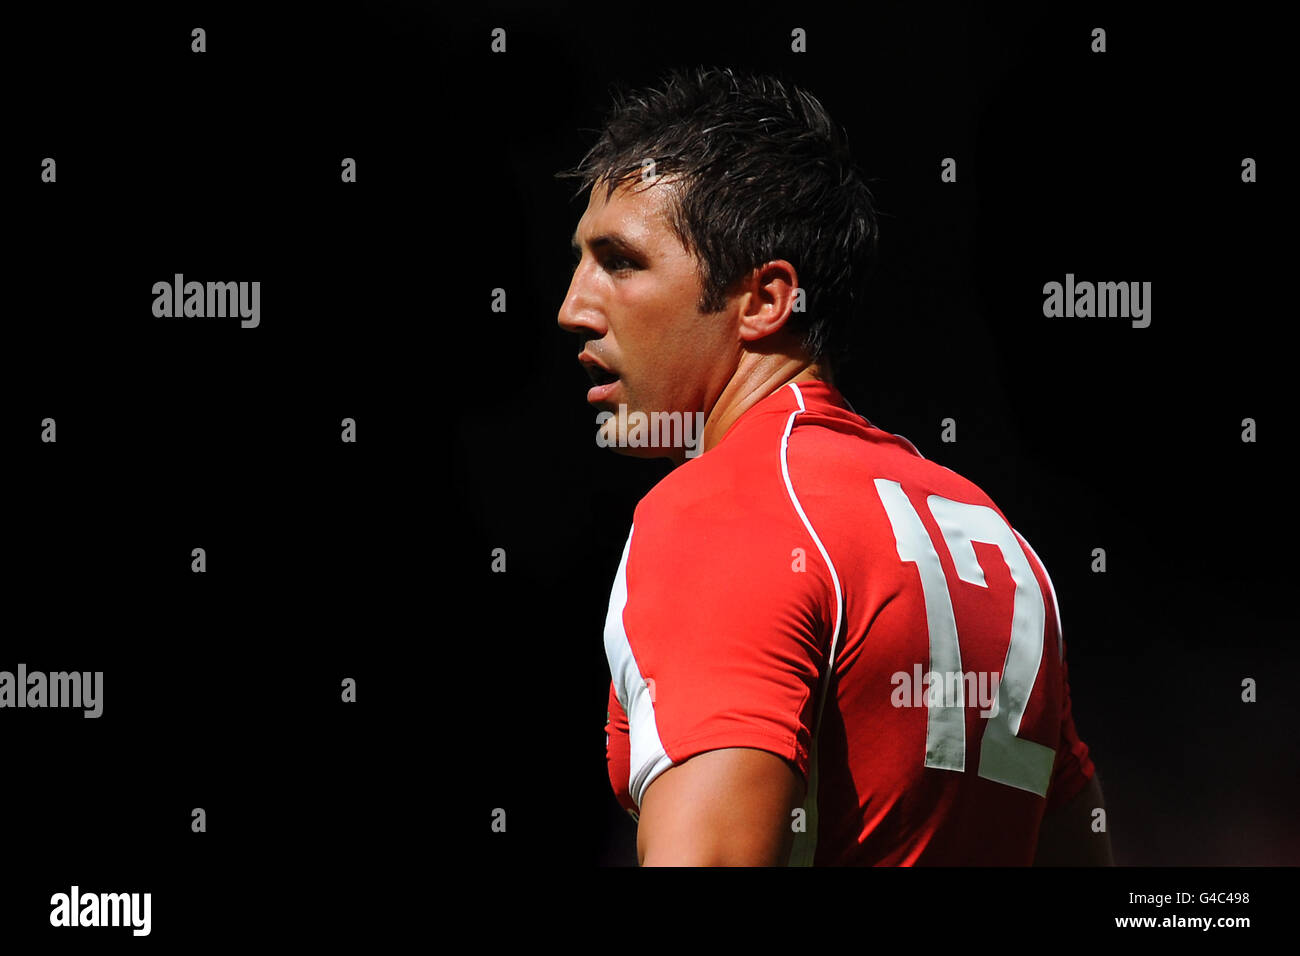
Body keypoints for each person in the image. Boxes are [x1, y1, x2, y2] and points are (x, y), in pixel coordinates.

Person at [556, 66, 1112, 866]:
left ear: (765, 300)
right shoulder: (994, 539)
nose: (573, 305)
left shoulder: (722, 513)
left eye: (620, 261)